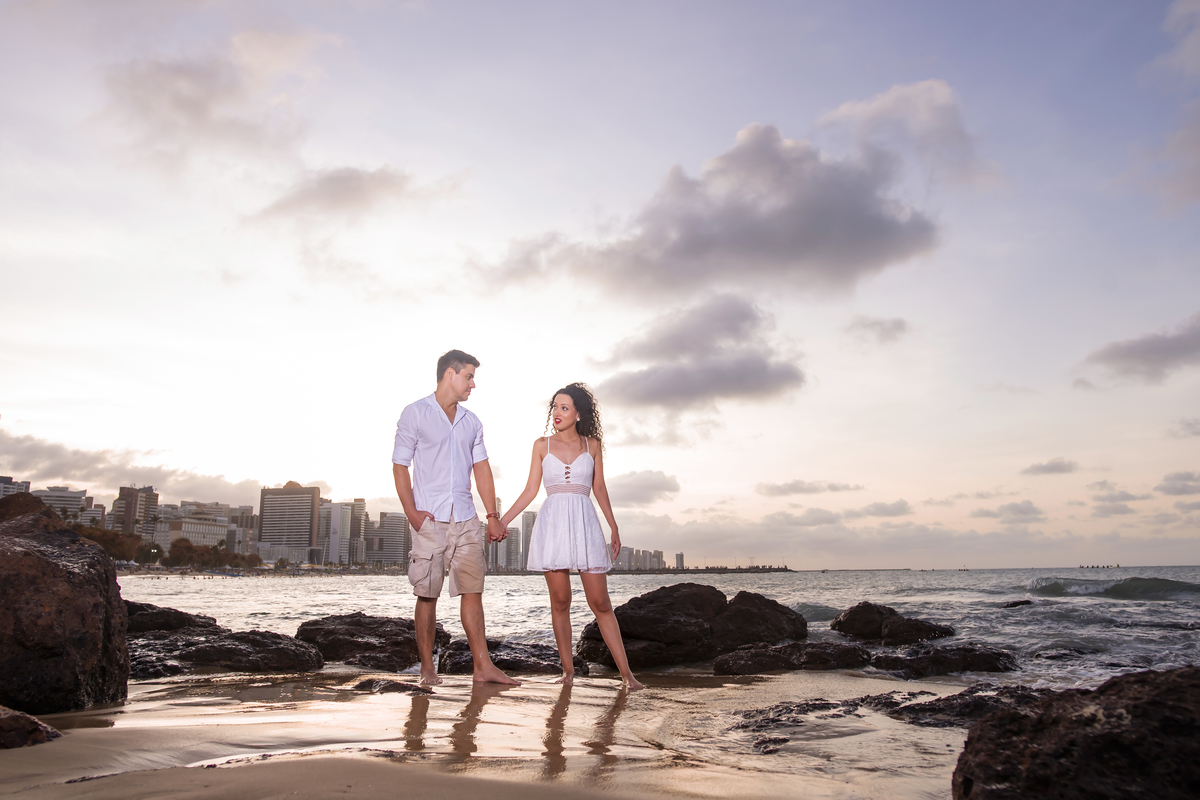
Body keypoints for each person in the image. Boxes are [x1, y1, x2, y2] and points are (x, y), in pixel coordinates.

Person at [501, 383, 644, 690]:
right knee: (561, 601)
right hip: (553, 524)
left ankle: (627, 676)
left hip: (584, 523)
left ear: (579, 413)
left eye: (564, 408)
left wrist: (614, 527)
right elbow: (530, 490)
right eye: (555, 407)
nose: (557, 413)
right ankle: (567, 672)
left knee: (601, 602)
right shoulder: (542, 445)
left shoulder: (592, 445)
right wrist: (501, 521)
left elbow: (600, 488)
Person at [392, 349, 518, 686]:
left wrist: (492, 516)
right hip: (429, 519)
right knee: (427, 594)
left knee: (473, 590)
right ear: (451, 373)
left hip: (465, 518)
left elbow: (482, 469)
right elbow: (400, 465)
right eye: (469, 376)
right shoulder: (414, 414)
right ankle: (427, 669)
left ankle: (483, 666)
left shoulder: (472, 422)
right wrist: (413, 514)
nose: (473, 384)